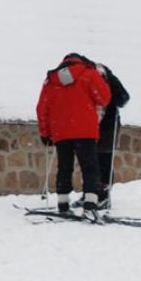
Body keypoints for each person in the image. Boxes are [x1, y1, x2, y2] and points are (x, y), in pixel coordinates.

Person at [36, 53, 111, 214]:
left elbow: (42, 108)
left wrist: (45, 133)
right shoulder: (89, 73)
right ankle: (91, 203)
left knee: (64, 166)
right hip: (85, 130)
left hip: (61, 130)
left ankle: (63, 203)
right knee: (90, 167)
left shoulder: (51, 80)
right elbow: (104, 98)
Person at [93, 63, 130, 208]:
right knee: (91, 161)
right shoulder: (90, 78)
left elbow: (124, 98)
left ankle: (104, 196)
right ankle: (90, 193)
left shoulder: (111, 79)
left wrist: (114, 100)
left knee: (104, 160)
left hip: (108, 126)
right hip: (93, 126)